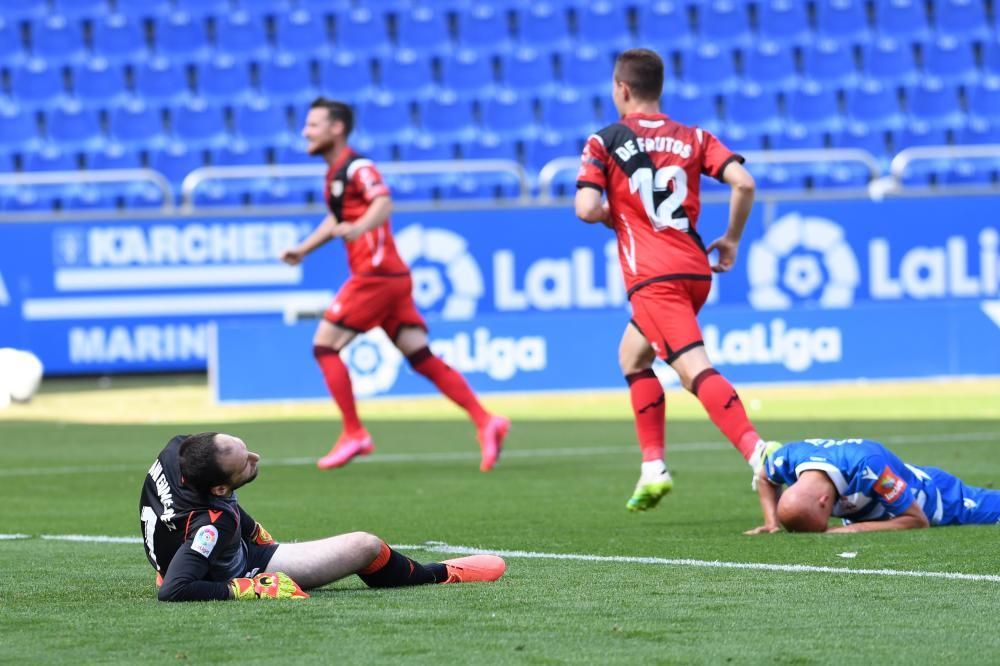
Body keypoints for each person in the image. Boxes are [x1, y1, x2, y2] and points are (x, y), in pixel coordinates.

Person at [574, 48, 769, 512]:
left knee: (691, 370)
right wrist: (733, 241)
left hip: (653, 276)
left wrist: (611, 214)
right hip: (694, 268)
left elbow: (584, 209)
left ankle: (762, 457)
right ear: (658, 88)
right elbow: (743, 183)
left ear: (621, 88)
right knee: (632, 356)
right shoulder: (695, 136)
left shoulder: (604, 141)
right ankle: (653, 468)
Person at [280, 97, 510, 471]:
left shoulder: (358, 167)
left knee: (324, 346)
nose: (306, 131)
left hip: (377, 275)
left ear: (337, 128)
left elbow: (383, 203)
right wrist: (304, 249)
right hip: (391, 277)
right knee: (420, 357)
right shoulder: (336, 173)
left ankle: (354, 432)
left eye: (314, 124)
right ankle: (487, 421)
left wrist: (359, 228)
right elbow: (337, 218)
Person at [139, 432, 506, 602]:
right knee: (366, 546)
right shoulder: (211, 526)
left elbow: (215, 510)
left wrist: (249, 529)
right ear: (218, 490)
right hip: (226, 567)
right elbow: (175, 590)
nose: (256, 457)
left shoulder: (180, 450)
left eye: (244, 448)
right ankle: (438, 574)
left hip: (196, 552)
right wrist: (247, 588)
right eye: (245, 464)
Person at [746, 437, 1000, 534]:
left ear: (824, 502)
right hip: (881, 501)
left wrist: (853, 530)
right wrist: (771, 522)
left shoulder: (868, 467)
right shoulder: (787, 458)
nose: (827, 528)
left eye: (823, 525)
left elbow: (917, 520)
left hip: (942, 500)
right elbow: (764, 477)